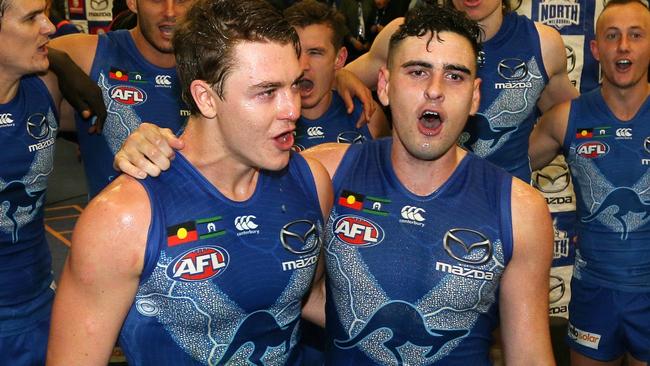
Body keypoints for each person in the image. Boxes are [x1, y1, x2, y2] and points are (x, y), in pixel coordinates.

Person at [115, 4, 556, 364]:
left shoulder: (520, 208)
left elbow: (530, 355)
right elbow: (228, 163)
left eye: (455, 76)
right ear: (384, 85)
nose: (435, 91)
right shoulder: (321, 173)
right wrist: (155, 144)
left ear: (476, 96)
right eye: (417, 72)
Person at [46, 0, 333, 364]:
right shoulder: (124, 218)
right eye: (266, 92)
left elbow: (310, 297)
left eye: (293, 86)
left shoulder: (311, 181)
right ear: (205, 98)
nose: (293, 108)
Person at [528, 1, 650, 365]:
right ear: (596, 49)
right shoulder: (565, 118)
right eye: (612, 36)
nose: (623, 46)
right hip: (593, 295)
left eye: (636, 35)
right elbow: (503, 175)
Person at [342, 0, 579, 182]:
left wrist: (521, 159)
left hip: (504, 210)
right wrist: (343, 78)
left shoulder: (541, 43)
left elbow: (573, 121)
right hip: (417, 204)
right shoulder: (406, 36)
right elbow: (334, 82)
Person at [47, 0, 195, 199]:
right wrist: (55, 58)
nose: (169, 12)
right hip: (115, 224)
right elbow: (13, 52)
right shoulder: (87, 55)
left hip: (201, 224)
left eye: (182, 0)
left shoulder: (218, 63)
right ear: (133, 3)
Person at [0, 0, 64, 364]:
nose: (49, 26)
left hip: (40, 306)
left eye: (46, 12)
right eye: (31, 18)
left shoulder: (47, 86)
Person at [284, 0, 390, 152]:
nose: (303, 65)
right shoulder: (264, 121)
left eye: (315, 53)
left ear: (339, 59)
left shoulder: (367, 117)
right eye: (295, 52)